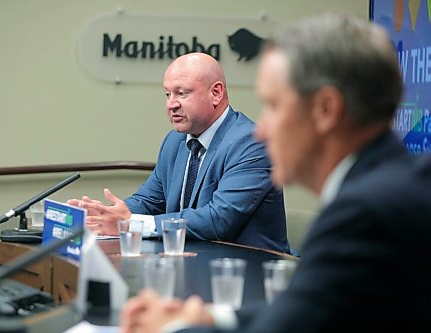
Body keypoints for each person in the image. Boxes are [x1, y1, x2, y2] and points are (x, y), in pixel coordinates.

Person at [120, 13, 431, 333]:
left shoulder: (367, 214)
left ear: (326, 110)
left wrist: (170, 328)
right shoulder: (384, 188)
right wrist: (211, 318)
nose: (261, 130)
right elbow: (301, 310)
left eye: (273, 106)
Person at [68, 52, 289, 252]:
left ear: (216, 93)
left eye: (181, 93)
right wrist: (107, 215)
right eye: (167, 95)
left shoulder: (251, 142)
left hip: (249, 274)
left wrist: (131, 223)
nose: (171, 105)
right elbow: (149, 200)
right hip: (192, 262)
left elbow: (218, 220)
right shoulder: (175, 140)